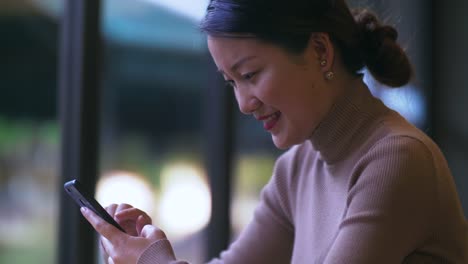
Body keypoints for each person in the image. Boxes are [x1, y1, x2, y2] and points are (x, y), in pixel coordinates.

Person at [81, 0, 468, 263]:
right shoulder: (297, 168)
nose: (244, 103)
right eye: (232, 83)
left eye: (250, 75)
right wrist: (144, 248)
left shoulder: (396, 159)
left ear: (320, 51)